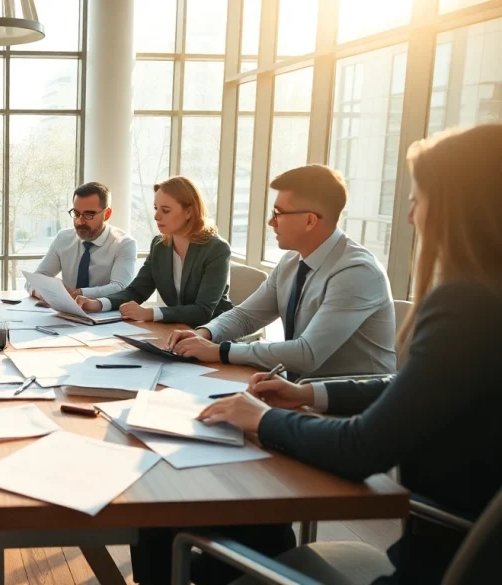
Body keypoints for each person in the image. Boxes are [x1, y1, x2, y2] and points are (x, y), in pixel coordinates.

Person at [195, 125, 502, 585]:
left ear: (460, 210)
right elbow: (407, 385)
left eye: (418, 201)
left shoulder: (463, 304)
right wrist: (309, 396)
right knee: (239, 530)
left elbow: (360, 449)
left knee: (197, 544)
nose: (412, 218)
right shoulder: (485, 303)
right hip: (454, 547)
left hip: (426, 568)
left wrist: (259, 418)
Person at [166, 164, 396, 380]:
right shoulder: (291, 261)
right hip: (300, 393)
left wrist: (221, 351)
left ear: (309, 220)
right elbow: (246, 315)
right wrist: (204, 333)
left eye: (278, 213)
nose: (270, 222)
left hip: (351, 410)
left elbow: (307, 354)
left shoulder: (357, 273)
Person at [76, 176, 231, 327]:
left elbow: (203, 311)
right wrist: (97, 304)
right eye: (156, 209)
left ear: (188, 212)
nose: (156, 216)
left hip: (213, 334)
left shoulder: (216, 249)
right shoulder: (160, 245)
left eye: (165, 210)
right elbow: (136, 291)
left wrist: (150, 313)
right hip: (176, 330)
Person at [24, 181, 137, 300]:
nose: (79, 222)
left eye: (89, 215)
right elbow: (35, 279)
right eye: (76, 214)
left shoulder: (124, 244)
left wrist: (78, 293)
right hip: (66, 312)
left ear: (107, 214)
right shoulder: (63, 238)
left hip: (105, 314)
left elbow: (120, 287)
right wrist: (42, 293)